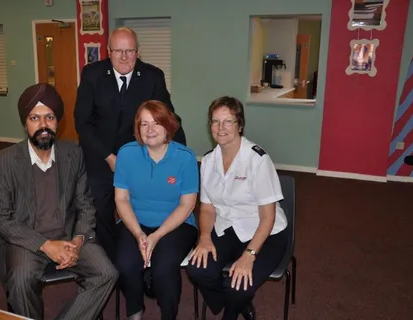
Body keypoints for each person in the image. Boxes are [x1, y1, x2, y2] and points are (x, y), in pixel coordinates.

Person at [0, 83, 118, 320]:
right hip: (27, 240)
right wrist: (45, 245)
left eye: (49, 117)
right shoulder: (4, 161)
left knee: (106, 273)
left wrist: (78, 240)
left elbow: (86, 204)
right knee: (19, 279)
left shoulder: (73, 155)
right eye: (34, 118)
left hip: (69, 235)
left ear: (58, 121)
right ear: (25, 123)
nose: (43, 125)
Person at [74, 27, 187, 260]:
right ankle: (110, 261)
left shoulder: (152, 76)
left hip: (139, 157)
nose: (124, 56)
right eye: (118, 50)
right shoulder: (92, 74)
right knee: (100, 210)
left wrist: (180, 156)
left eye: (130, 50)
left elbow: (168, 118)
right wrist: (109, 157)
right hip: (100, 154)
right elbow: (82, 123)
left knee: (141, 208)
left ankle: (143, 259)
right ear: (108, 51)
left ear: (138, 52)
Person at [186, 96, 288, 320]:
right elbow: (207, 208)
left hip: (266, 233)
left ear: (239, 125)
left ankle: (231, 311)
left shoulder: (257, 160)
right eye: (215, 121)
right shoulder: (209, 160)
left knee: (238, 286)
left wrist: (249, 255)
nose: (220, 128)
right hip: (228, 227)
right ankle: (236, 303)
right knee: (197, 269)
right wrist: (204, 236)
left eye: (228, 121)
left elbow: (268, 217)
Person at [113, 100, 198, 320]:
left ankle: (168, 315)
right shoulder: (126, 154)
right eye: (144, 124)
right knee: (125, 263)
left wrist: (156, 236)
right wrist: (140, 234)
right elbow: (121, 199)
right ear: (137, 128)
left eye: (156, 123)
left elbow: (187, 204)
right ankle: (135, 311)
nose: (150, 130)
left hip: (176, 224)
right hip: (135, 220)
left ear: (168, 126)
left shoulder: (185, 157)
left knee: (164, 267)